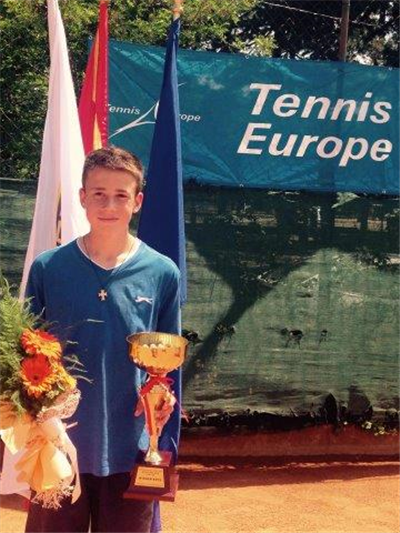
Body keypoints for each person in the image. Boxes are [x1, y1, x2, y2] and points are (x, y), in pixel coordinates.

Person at [24, 146, 181, 533]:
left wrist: (164, 397)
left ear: (137, 201)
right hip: (58, 445)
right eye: (98, 193)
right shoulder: (48, 268)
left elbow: (167, 364)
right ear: (82, 197)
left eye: (121, 195)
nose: (109, 205)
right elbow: (25, 354)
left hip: (131, 448)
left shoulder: (162, 273)